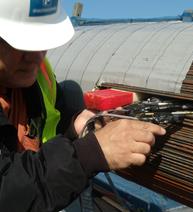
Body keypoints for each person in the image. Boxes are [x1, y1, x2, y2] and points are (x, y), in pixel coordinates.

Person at [0, 1, 166, 211]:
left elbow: (47, 123)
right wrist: (90, 153)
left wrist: (75, 126)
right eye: (22, 42)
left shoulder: (37, 75)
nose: (36, 56)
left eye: (43, 41)